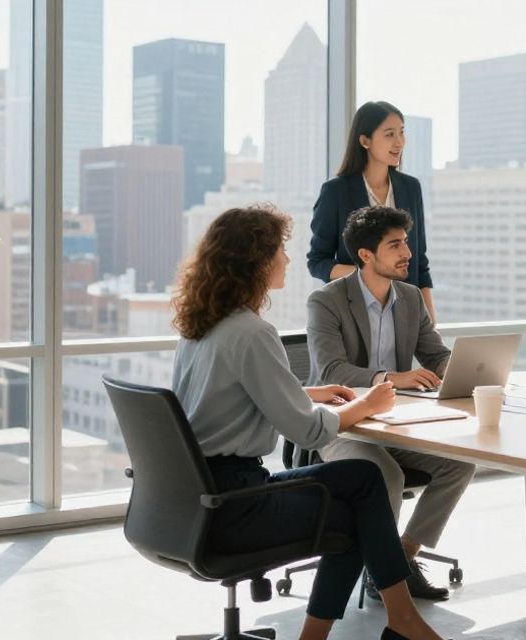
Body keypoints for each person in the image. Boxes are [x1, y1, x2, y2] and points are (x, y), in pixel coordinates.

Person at [169, 205, 445, 640]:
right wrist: (367, 404)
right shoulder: (253, 333)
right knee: (361, 497)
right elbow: (308, 432)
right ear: (255, 262)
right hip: (236, 502)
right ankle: (392, 622)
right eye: (279, 250)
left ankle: (393, 620)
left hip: (193, 496)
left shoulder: (201, 326)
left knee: (360, 484)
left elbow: (226, 397)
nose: (287, 259)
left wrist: (306, 393)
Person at [307, 206, 476, 602]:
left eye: (407, 243)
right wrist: (390, 379)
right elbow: (332, 369)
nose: (408, 254)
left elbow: (435, 354)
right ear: (366, 255)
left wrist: (465, 369)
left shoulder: (411, 298)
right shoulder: (327, 301)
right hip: (343, 424)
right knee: (388, 476)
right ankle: (384, 574)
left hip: (394, 423)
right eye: (395, 245)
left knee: (459, 463)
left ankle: (399, 556)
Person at [310, 101, 437, 324]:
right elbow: (318, 262)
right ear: (365, 140)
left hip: (405, 315)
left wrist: (430, 322)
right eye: (389, 134)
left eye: (401, 132)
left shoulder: (410, 188)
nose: (399, 142)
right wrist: (369, 275)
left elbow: (419, 262)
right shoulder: (336, 192)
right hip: (355, 316)